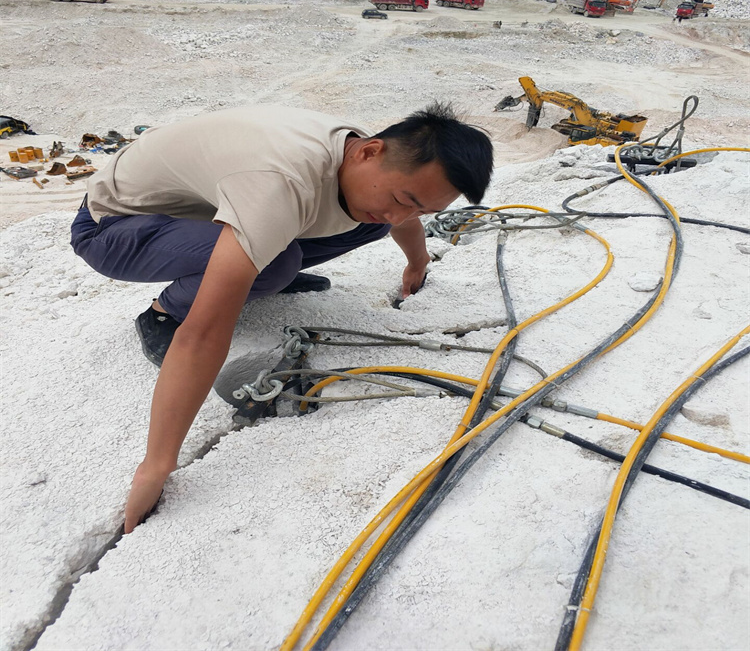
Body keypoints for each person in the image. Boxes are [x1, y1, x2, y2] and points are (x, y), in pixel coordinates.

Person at [70, 102, 494, 532]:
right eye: (404, 200)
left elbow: (399, 215)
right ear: (370, 152)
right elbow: (202, 336)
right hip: (116, 226)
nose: (402, 216)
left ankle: (257, 262)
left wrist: (417, 262)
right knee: (276, 263)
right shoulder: (278, 182)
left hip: (206, 208)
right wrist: (156, 466)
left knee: (367, 221)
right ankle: (165, 310)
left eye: (420, 210)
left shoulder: (369, 158)